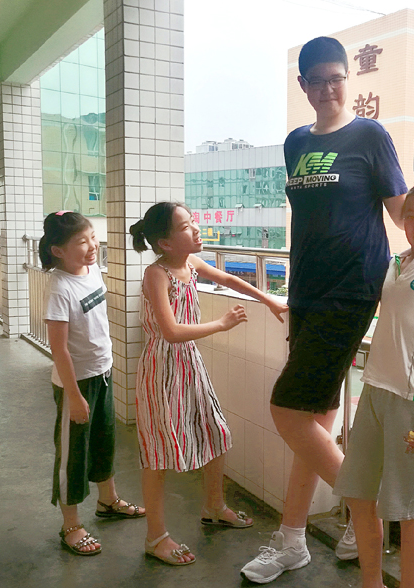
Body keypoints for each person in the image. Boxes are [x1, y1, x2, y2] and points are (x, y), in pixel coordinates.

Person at [240, 36, 414, 584]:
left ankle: (370, 520)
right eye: (318, 80)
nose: (330, 88)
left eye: (338, 78)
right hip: (308, 291)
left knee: (287, 410)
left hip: (351, 288)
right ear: (304, 85)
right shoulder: (295, 143)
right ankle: (292, 539)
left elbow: (399, 207)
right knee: (314, 422)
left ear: (346, 80)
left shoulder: (370, 135)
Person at [130, 202, 288, 566]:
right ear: (166, 243)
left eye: (193, 221)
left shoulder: (189, 264)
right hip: (162, 368)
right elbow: (170, 332)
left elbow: (230, 280)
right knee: (157, 452)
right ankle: (155, 537)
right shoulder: (157, 274)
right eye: (186, 226)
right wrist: (222, 324)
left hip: (190, 364)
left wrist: (269, 300)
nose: (197, 228)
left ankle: (214, 506)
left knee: (216, 432)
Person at [332, 182, 414, 588]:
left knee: (410, 509)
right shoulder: (397, 262)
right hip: (374, 389)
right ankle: (370, 581)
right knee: (358, 493)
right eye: (411, 216)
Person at [40, 211, 145, 557]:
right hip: (77, 384)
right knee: (73, 455)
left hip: (102, 372)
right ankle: (70, 524)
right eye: (82, 242)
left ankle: (108, 501)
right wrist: (73, 396)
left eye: (92, 238)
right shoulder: (59, 286)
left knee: (105, 440)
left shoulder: (93, 269)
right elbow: (59, 348)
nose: (91, 246)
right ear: (58, 250)